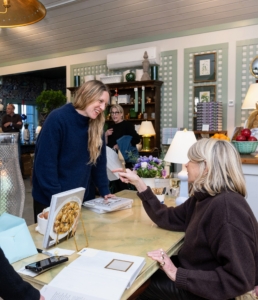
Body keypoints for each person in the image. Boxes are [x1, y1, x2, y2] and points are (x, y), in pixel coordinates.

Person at [114, 138, 258, 300]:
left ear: (206, 167)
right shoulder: (205, 198)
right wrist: (139, 183)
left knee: (134, 285)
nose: (186, 165)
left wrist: (176, 273)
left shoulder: (226, 207)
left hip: (208, 292)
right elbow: (168, 217)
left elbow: (239, 280)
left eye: (191, 160)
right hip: (199, 278)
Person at [32, 80, 114, 222]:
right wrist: (59, 199)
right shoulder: (57, 119)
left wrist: (104, 190)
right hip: (50, 200)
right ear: (85, 94)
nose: (102, 107)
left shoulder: (97, 125)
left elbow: (99, 163)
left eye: (105, 104)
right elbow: (45, 165)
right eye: (100, 101)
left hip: (80, 200)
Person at [105, 104, 140, 192]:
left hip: (124, 161)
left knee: (124, 186)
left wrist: (120, 145)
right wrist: (105, 135)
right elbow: (107, 145)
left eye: (116, 112)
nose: (114, 115)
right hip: (113, 160)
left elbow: (136, 139)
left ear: (121, 114)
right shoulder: (110, 127)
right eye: (112, 113)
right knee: (115, 186)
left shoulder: (127, 126)